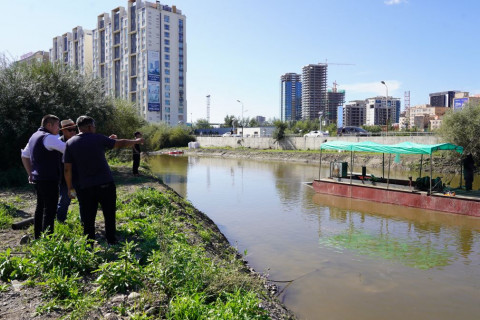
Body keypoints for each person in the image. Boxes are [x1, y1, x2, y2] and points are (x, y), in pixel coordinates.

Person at [63, 116, 144, 244]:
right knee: (109, 214)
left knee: (88, 217)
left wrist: (70, 188)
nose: (95, 129)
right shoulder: (98, 138)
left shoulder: (70, 143)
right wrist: (136, 141)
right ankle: (111, 240)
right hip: (105, 184)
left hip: (84, 187)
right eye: (94, 126)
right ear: (90, 127)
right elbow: (120, 143)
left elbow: (67, 169)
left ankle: (89, 244)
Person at [21, 115, 66, 239]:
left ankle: (38, 237)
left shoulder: (34, 136)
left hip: (39, 179)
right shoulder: (49, 138)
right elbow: (67, 149)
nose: (59, 129)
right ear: (49, 125)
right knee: (50, 210)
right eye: (57, 125)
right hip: (49, 179)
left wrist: (30, 173)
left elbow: (24, 156)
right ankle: (48, 240)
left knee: (40, 208)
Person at [56, 119, 77, 222]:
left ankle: (84, 223)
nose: (73, 132)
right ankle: (60, 222)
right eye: (70, 130)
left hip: (79, 177)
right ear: (63, 131)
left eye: (74, 129)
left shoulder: (78, 140)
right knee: (65, 200)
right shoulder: (58, 143)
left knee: (84, 200)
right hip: (65, 179)